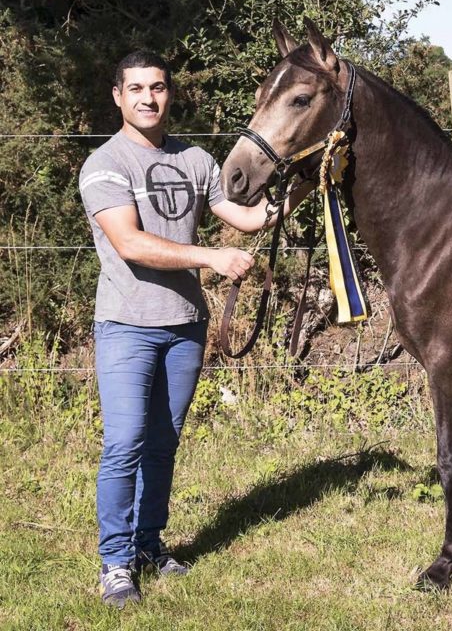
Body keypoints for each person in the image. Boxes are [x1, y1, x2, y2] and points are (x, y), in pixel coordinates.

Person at [79, 50, 315, 608]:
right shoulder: (106, 165)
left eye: (157, 87)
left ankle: (150, 544)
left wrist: (305, 183)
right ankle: (115, 562)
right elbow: (130, 243)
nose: (147, 98)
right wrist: (211, 257)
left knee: (163, 445)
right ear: (118, 96)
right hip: (127, 324)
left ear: (168, 93)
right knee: (124, 443)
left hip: (186, 326)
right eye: (135, 88)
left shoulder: (195, 158)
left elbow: (249, 217)